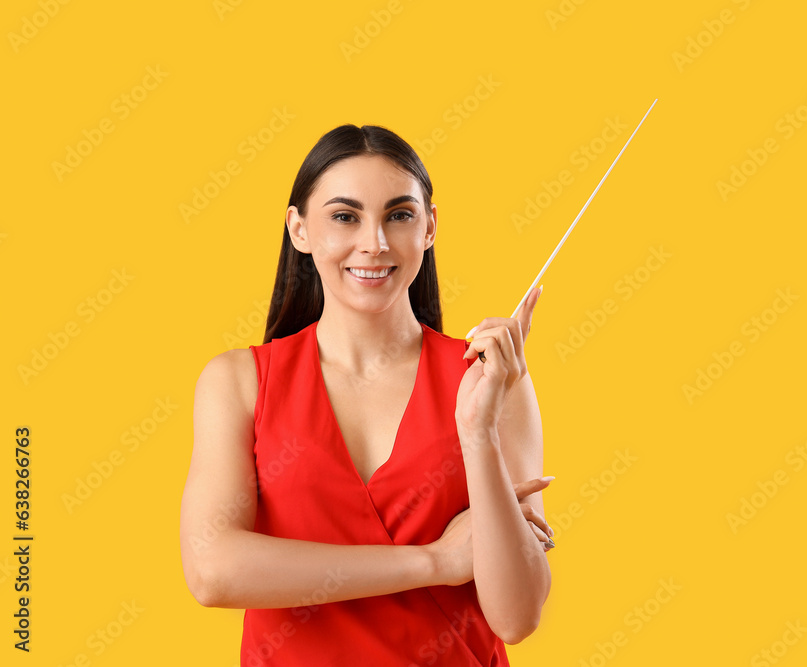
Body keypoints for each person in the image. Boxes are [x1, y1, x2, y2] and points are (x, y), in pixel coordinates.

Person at [179, 124, 554, 666]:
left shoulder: (493, 380)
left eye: (399, 215)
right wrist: (433, 562)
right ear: (299, 229)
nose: (374, 242)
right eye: (344, 216)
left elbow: (517, 617)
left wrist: (478, 433)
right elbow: (212, 571)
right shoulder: (238, 382)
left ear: (429, 227)